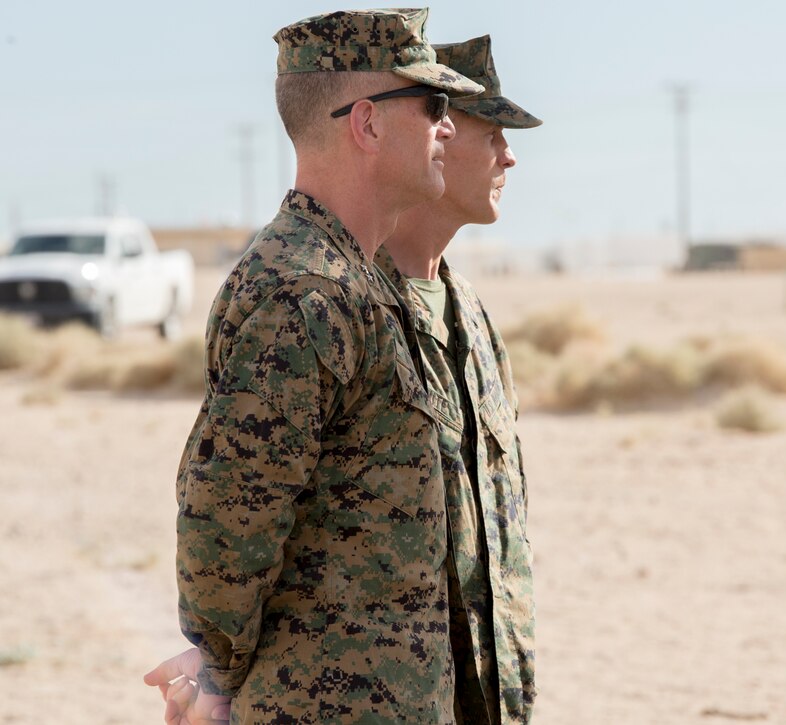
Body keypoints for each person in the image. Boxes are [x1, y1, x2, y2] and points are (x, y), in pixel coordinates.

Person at [146, 34, 542, 725]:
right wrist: (217, 671)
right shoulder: (307, 291)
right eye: (433, 105)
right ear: (368, 123)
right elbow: (230, 523)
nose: (447, 128)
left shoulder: (388, 294)